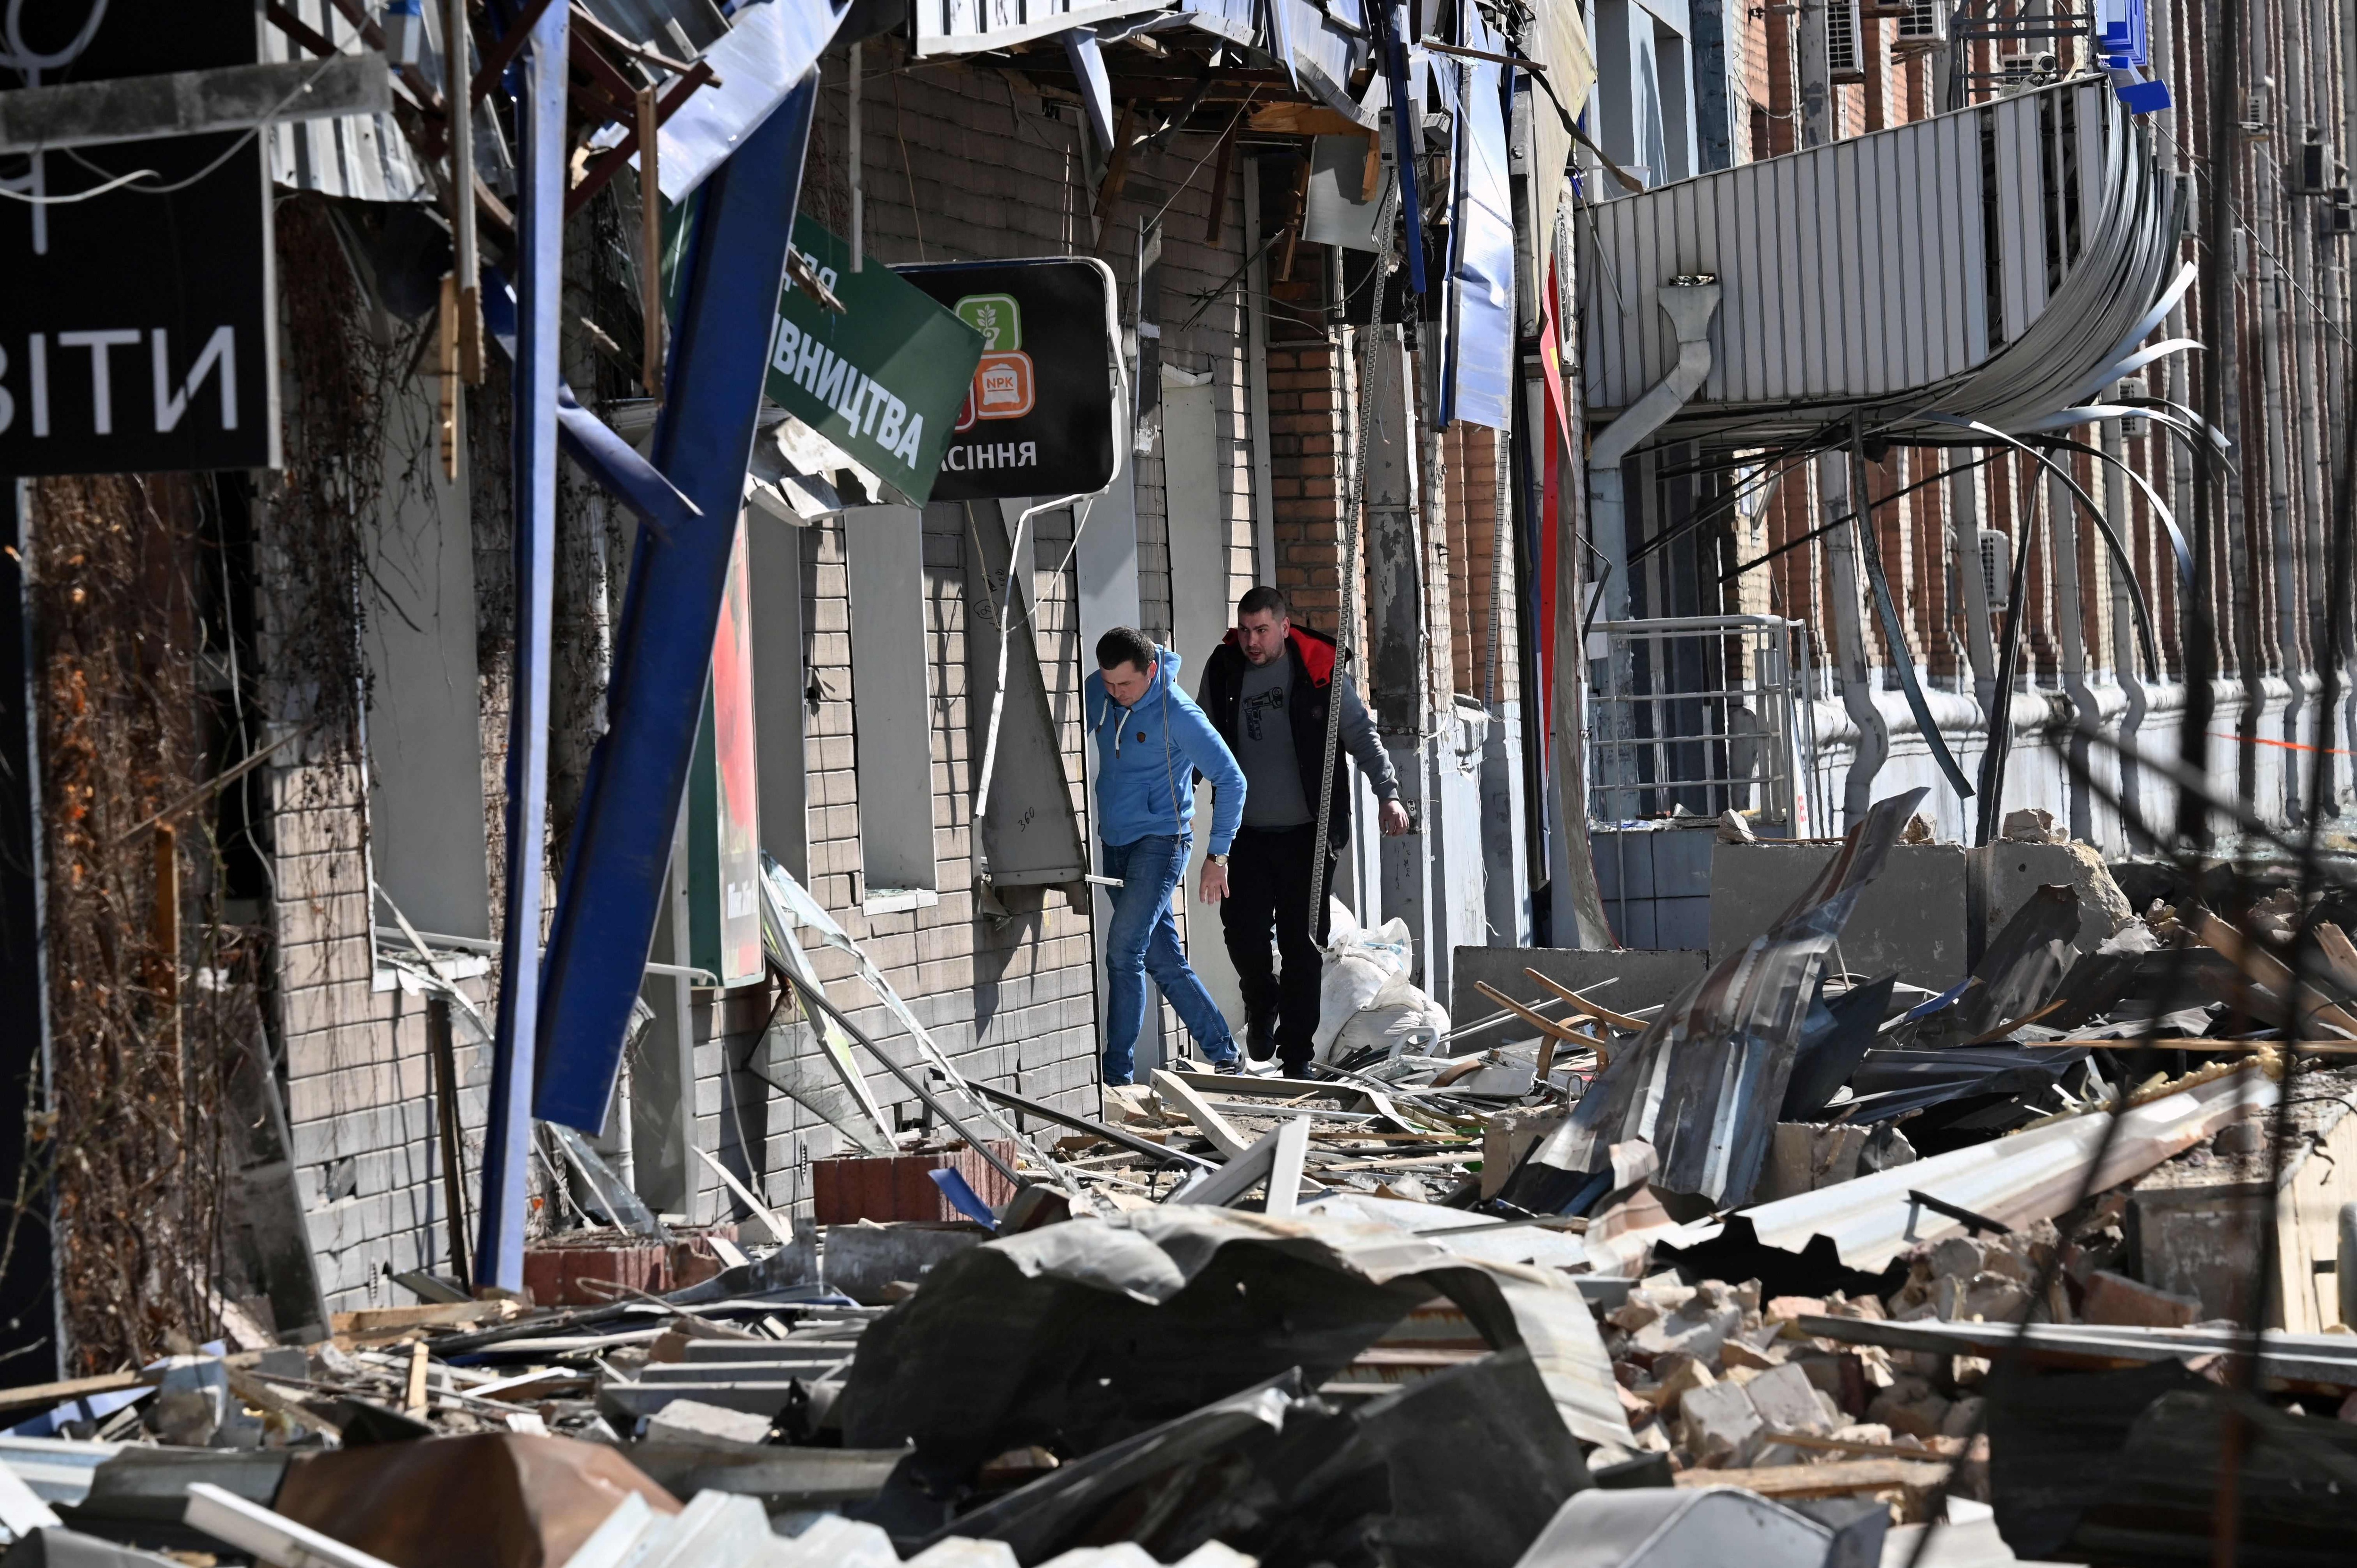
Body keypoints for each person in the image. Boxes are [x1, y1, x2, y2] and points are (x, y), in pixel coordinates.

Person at [1197, 586, 1409, 1076]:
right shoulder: (1225, 667)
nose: (1251, 641)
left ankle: (1296, 1058)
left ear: (1284, 627)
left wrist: (1389, 793)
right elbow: (1200, 733)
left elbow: (1361, 736)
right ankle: (1260, 996)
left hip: (1308, 837)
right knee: (1243, 935)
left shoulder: (1319, 670)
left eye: (1261, 631)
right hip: (1243, 834)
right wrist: (1177, 791)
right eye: (1245, 630)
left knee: (1301, 945)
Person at [1084, 625, 1248, 1085]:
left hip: (1161, 843)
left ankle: (1114, 1077)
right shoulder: (1101, 690)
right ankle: (1224, 1053)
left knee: (1123, 951)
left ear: (1151, 671)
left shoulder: (1178, 713)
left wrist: (1218, 856)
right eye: (1108, 683)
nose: (1115, 694)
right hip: (1114, 844)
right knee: (1162, 959)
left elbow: (1232, 780)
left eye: (1126, 685)